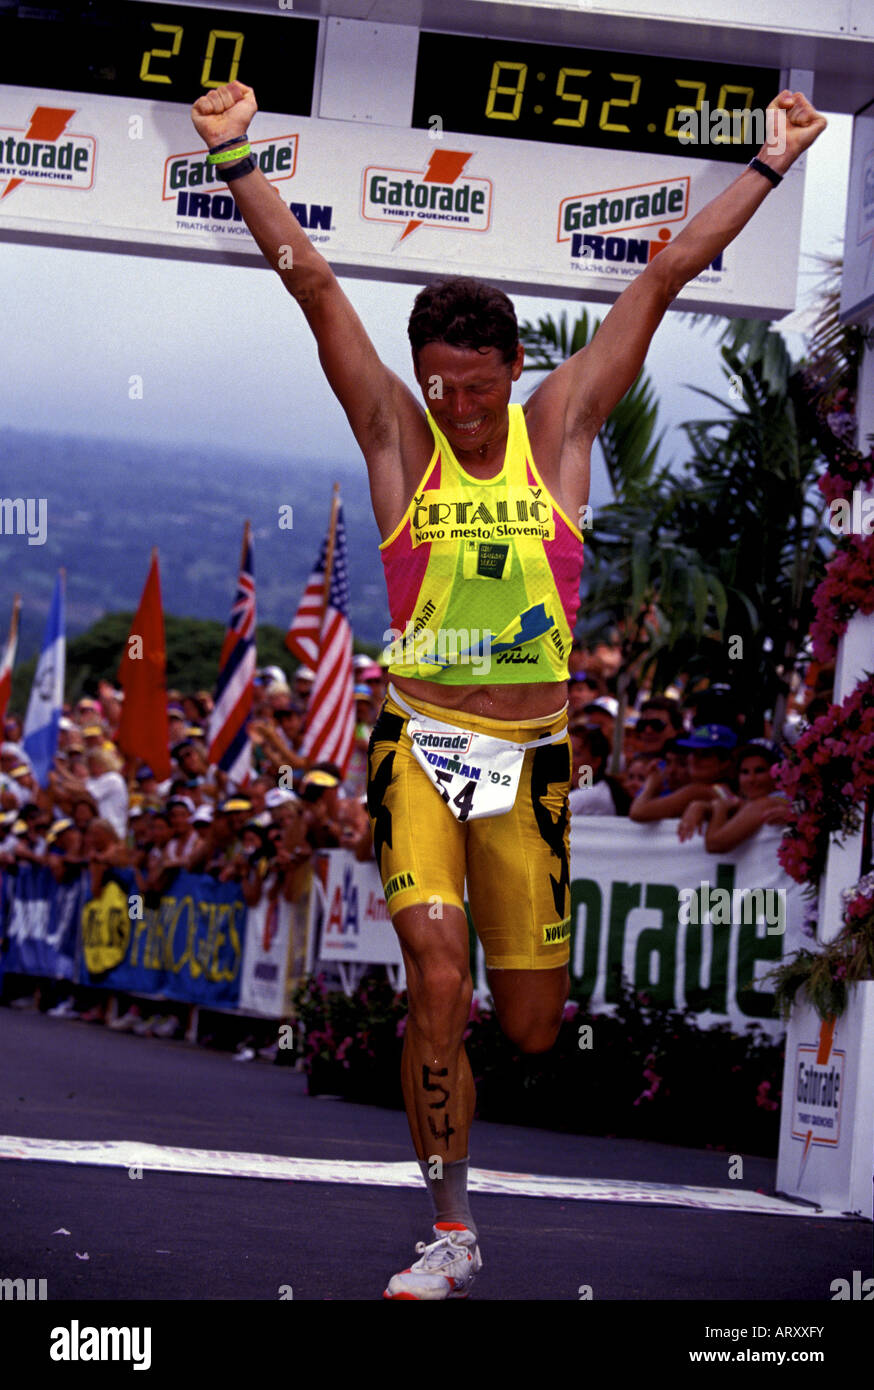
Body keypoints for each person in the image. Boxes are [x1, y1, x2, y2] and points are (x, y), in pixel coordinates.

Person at [190, 80, 826, 1300]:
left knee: (529, 1021)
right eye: (440, 384)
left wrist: (772, 163)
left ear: (514, 366)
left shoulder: (564, 423)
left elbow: (658, 281)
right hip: (417, 738)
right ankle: (450, 1227)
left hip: (530, 759)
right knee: (435, 969)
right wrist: (235, 155)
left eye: (475, 384)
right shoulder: (396, 437)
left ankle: (484, 1094)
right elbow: (314, 287)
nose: (458, 405)